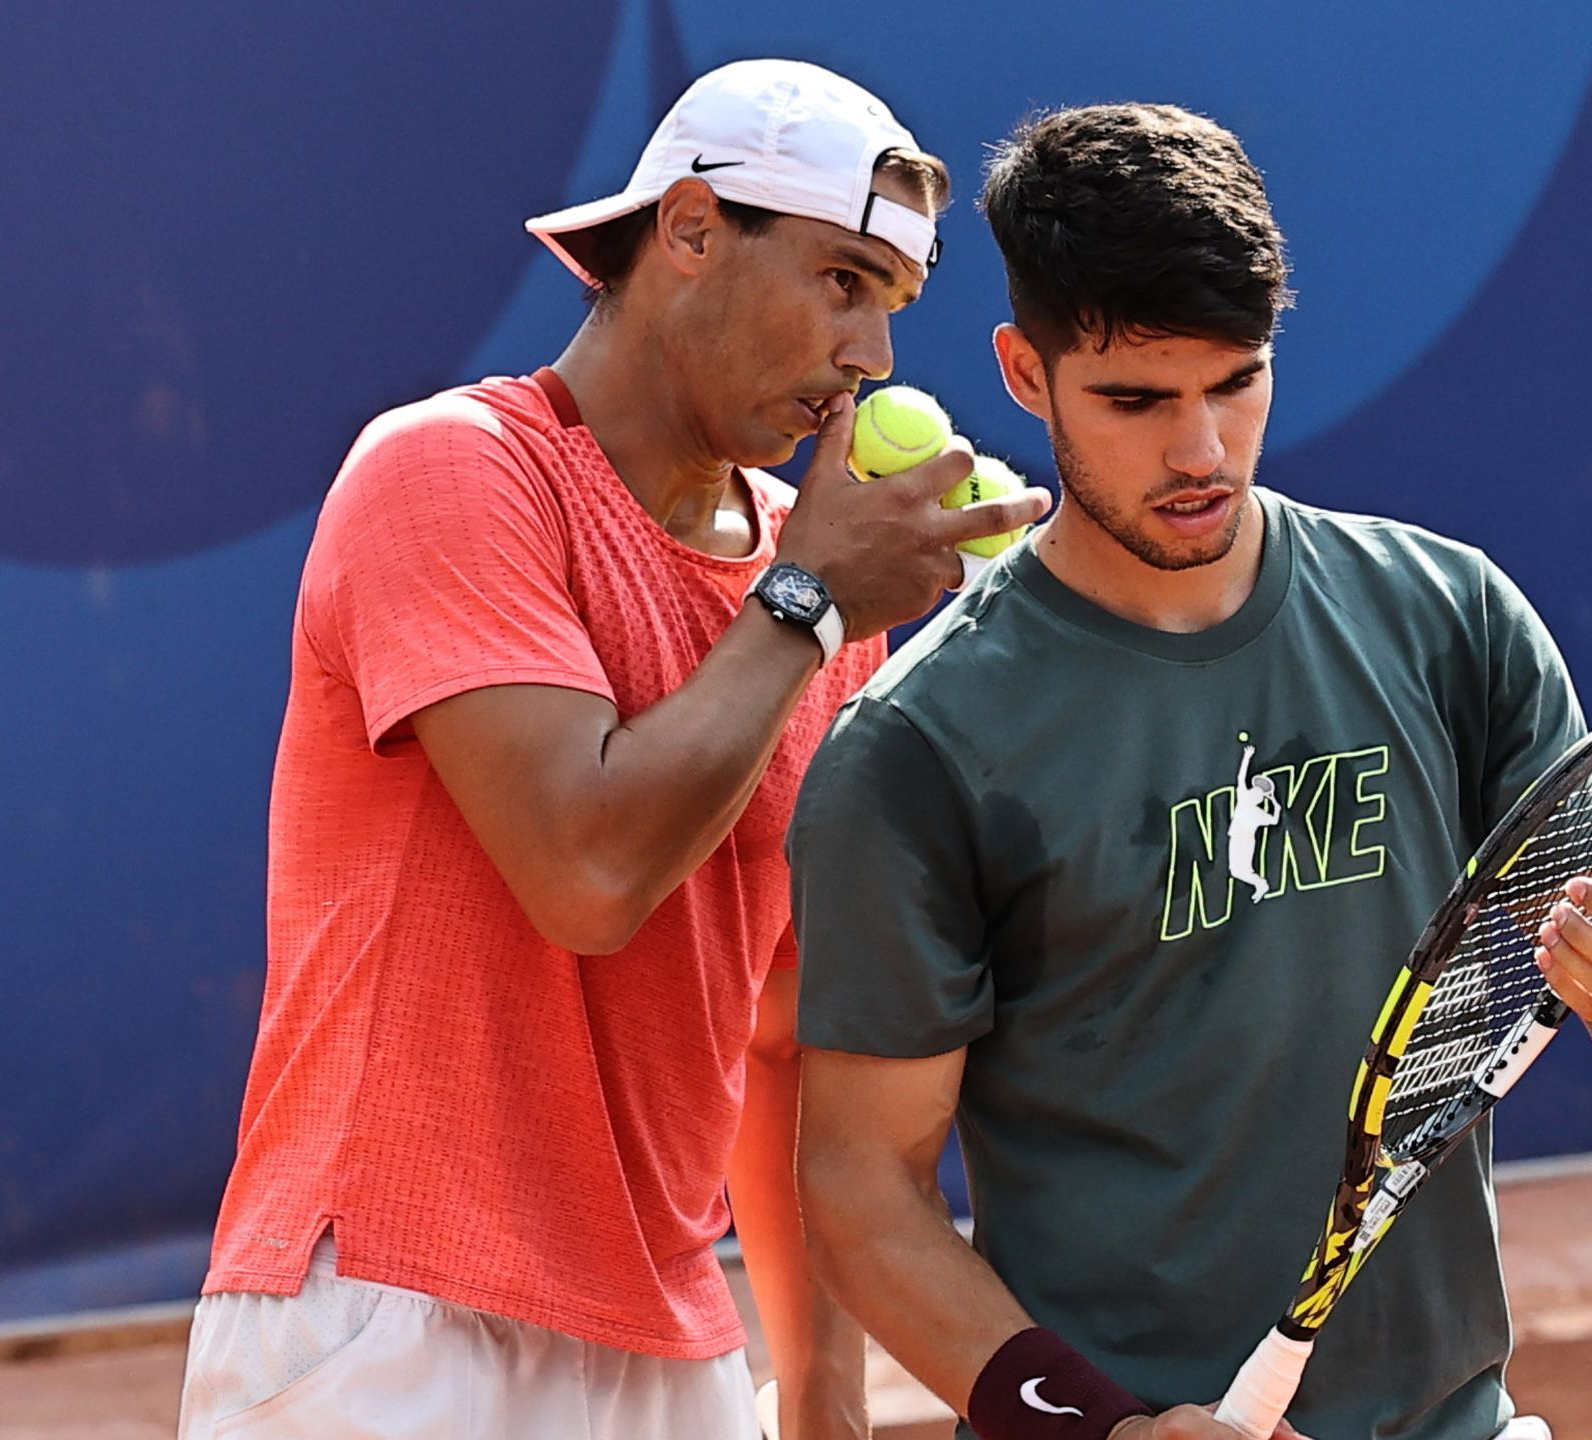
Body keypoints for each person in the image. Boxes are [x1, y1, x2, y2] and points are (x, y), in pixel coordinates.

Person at [787, 102, 1592, 1440]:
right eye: (1137, 399)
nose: (1200, 451)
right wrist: (1093, 1428)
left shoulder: (1450, 620)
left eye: (1236, 383)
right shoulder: (917, 749)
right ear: (1024, 371)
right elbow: (859, 1182)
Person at [176, 59, 1048, 1440]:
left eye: (892, 303)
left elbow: (778, 1027)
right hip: (391, 1314)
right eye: (839, 281)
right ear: (690, 232)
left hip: (668, 1341)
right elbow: (586, 871)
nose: (872, 356)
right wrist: (811, 605)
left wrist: (822, 1390)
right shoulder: (450, 471)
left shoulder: (816, 595)